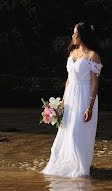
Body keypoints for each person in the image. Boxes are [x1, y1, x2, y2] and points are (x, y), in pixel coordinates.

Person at [41, 22, 103, 178]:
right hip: (70, 97)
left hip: (84, 97)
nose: (73, 36)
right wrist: (61, 103)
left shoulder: (93, 56)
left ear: (83, 36)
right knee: (65, 133)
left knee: (77, 134)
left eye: (75, 33)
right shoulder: (72, 53)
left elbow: (95, 83)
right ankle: (64, 165)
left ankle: (80, 169)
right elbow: (69, 80)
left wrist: (90, 107)